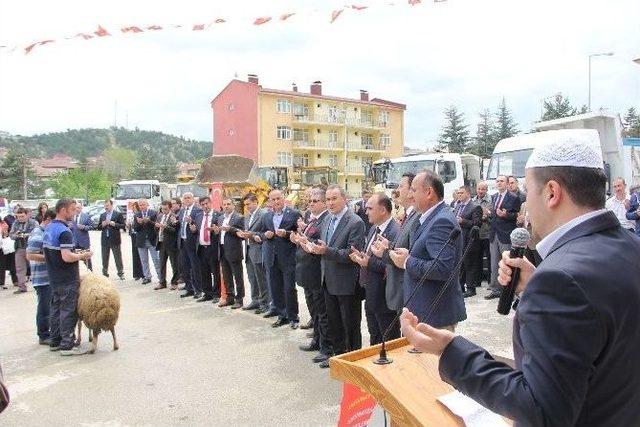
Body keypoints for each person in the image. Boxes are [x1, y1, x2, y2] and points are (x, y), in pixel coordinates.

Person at [400, 129, 640, 426]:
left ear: (552, 192)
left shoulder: (559, 280)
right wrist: (534, 285)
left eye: (529, 191)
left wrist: (452, 351)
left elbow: (541, 409)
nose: (526, 206)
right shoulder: (630, 247)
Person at [389, 171, 466, 331]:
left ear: (429, 192)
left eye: (414, 190)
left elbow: (442, 268)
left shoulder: (441, 221)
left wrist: (407, 261)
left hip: (434, 314)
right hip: (424, 311)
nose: (410, 195)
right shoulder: (428, 217)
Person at [308, 184, 365, 368]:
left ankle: (354, 361)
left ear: (344, 199)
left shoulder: (355, 222)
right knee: (334, 323)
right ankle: (339, 357)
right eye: (328, 200)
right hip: (328, 279)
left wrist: (327, 251)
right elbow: (324, 247)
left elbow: (352, 253)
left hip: (347, 283)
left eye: (334, 199)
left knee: (350, 325)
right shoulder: (327, 220)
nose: (330, 203)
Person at [44, 199, 93, 356]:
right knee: (68, 310)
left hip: (54, 276)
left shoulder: (49, 228)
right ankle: (67, 345)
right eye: (72, 209)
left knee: (56, 308)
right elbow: (66, 256)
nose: (75, 212)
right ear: (63, 210)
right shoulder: (65, 231)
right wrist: (83, 255)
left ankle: (55, 341)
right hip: (66, 277)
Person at [350, 193, 400, 345]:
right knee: (375, 337)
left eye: (370, 208)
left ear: (383, 210)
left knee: (388, 340)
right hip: (371, 292)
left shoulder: (395, 232)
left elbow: (393, 263)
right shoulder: (373, 229)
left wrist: (368, 262)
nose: (366, 212)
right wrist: (362, 256)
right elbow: (371, 256)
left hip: (385, 297)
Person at [290, 188, 331, 357]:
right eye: (310, 201)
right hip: (306, 271)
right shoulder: (312, 220)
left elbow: (319, 242)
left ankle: (325, 346)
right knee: (313, 310)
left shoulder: (325, 220)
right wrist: (299, 239)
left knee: (322, 312)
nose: (311, 204)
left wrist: (304, 240)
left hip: (316, 272)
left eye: (315, 201)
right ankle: (317, 339)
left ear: (323, 203)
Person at [371, 172, 418, 315]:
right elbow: (405, 247)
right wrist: (390, 246)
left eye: (401, 186)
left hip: (408, 291)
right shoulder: (409, 215)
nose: (397, 190)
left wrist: (386, 252)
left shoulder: (417, 216)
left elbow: (412, 254)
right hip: (401, 290)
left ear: (412, 191)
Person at [254, 190, 301, 327]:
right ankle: (282, 315)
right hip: (271, 258)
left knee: (289, 288)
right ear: (269, 201)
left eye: (278, 198)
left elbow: (300, 233)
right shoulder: (267, 216)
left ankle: (293, 317)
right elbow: (260, 233)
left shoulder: (293, 214)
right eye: (273, 199)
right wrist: (264, 236)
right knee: (276, 288)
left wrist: (286, 233)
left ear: (284, 198)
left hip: (288, 257)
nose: (276, 202)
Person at [485, 175, 521, 299]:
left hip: (505, 234)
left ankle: (509, 291)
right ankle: (495, 290)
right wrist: (489, 214)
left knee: (507, 263)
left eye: (502, 181)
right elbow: (493, 216)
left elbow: (516, 215)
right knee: (494, 263)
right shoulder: (494, 197)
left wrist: (506, 215)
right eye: (497, 181)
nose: (499, 183)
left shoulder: (513, 197)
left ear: (507, 184)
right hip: (494, 234)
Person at [26, 209, 56, 345]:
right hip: (42, 278)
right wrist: (51, 258)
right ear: (48, 219)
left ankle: (49, 332)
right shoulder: (38, 233)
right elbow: (30, 255)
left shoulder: (47, 232)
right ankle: (43, 335)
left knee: (50, 307)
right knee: (44, 308)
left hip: (49, 277)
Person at [238, 193, 269, 311]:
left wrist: (254, 235)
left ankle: (265, 303)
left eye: (249, 204)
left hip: (259, 250)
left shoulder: (263, 215)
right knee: (252, 278)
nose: (247, 207)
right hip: (249, 250)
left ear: (256, 202)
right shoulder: (247, 217)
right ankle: (255, 300)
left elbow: (267, 232)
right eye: (245, 205)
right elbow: (247, 231)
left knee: (262, 279)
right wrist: (243, 234)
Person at [215, 197, 245, 308]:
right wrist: (216, 231)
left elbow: (242, 233)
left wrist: (230, 229)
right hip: (222, 249)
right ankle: (230, 297)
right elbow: (219, 233)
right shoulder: (220, 218)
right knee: (227, 276)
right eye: (224, 204)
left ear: (233, 205)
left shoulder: (239, 217)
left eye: (228, 204)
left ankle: (240, 298)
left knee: (238, 276)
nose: (226, 206)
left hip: (234, 250)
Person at [454, 186, 482, 297]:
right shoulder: (457, 206)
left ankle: (471, 288)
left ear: (468, 194)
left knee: (469, 264)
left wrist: (463, 221)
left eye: (462, 193)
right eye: (458, 193)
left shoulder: (475, 207)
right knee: (460, 266)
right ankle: (460, 287)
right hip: (459, 240)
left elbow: (477, 223)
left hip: (470, 240)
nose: (459, 194)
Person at [195, 196, 222, 302]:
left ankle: (216, 293)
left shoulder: (218, 215)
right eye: (203, 204)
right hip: (202, 247)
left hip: (213, 247)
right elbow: (198, 230)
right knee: (204, 271)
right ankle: (207, 293)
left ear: (210, 203)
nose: (205, 206)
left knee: (215, 272)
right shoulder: (198, 216)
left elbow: (220, 231)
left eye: (207, 203)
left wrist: (216, 231)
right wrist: (194, 230)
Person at [177, 192, 203, 298]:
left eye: (189, 198)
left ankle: (198, 289)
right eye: (185, 198)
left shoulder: (197, 210)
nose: (187, 200)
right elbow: (181, 224)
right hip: (183, 241)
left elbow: (199, 224)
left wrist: (191, 221)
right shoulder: (182, 210)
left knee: (195, 267)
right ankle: (189, 288)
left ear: (193, 199)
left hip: (192, 242)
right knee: (185, 267)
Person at [9, 207, 38, 294]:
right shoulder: (15, 223)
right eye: (18, 217)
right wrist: (17, 235)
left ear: (27, 215)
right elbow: (11, 235)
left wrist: (27, 235)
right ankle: (22, 287)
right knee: (20, 268)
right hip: (20, 247)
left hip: (32, 248)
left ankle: (37, 285)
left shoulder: (34, 222)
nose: (20, 218)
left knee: (34, 267)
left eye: (22, 216)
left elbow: (37, 233)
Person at [154, 201, 180, 290]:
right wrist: (157, 227)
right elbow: (156, 230)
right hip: (161, 243)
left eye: (165, 209)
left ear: (170, 208)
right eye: (162, 209)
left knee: (174, 264)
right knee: (162, 264)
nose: (163, 211)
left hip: (171, 244)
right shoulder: (160, 216)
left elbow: (175, 230)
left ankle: (174, 282)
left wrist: (165, 227)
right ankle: (162, 282)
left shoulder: (174, 217)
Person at [134, 199, 161, 285]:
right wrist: (140, 223)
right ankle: (147, 276)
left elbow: (157, 226)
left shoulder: (153, 213)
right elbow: (135, 228)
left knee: (156, 259)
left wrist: (148, 221)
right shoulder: (137, 215)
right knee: (144, 260)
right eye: (140, 205)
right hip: (141, 241)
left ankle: (161, 277)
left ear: (147, 204)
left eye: (143, 205)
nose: (142, 206)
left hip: (152, 240)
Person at [97, 200, 126, 280]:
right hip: (105, 239)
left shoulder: (118, 214)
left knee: (117, 257)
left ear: (111, 205)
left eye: (107, 206)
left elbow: (123, 225)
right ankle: (105, 272)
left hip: (115, 239)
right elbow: (98, 227)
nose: (106, 207)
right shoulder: (102, 215)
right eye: (105, 206)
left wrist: (114, 224)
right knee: (104, 257)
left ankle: (120, 273)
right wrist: (102, 225)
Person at [472, 181, 492, 289]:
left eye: (483, 189)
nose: (480, 191)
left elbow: (492, 215)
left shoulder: (491, 200)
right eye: (479, 189)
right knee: (477, 257)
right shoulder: (473, 201)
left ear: (486, 190)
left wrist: (487, 216)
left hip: (487, 233)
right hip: (477, 234)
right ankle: (477, 281)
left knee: (489, 257)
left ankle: (490, 281)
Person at [69, 203, 95, 271]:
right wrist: (68, 226)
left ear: (81, 208)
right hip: (73, 242)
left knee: (87, 260)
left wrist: (84, 227)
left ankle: (90, 273)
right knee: (74, 260)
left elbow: (92, 226)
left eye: (78, 208)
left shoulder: (86, 216)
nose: (77, 209)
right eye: (76, 208)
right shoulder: (70, 216)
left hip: (84, 242)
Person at [126, 202, 144, 281]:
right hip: (133, 236)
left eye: (135, 208)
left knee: (141, 255)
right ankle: (136, 273)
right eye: (133, 208)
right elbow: (130, 226)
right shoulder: (132, 216)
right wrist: (128, 225)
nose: (134, 209)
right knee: (135, 254)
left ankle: (143, 273)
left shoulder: (140, 215)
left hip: (139, 236)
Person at [0, 217, 18, 290]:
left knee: (11, 263)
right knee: (2, 265)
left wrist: (3, 232)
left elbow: (6, 234)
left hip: (5, 246)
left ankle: (15, 280)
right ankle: (2, 283)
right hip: (3, 246)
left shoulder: (3, 223)